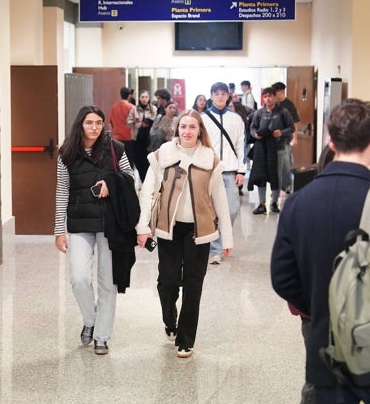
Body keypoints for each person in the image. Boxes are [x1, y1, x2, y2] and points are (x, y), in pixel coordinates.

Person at [271, 99, 370, 404]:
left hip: (326, 354)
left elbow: (283, 278)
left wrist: (323, 304)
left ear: (330, 139)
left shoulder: (297, 204)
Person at [136, 109, 233, 358]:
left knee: (193, 284)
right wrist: (143, 226)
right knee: (167, 282)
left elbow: (220, 199)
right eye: (183, 127)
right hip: (169, 228)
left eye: (192, 127)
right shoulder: (163, 155)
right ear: (176, 130)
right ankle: (170, 320)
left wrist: (227, 238)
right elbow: (148, 191)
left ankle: (186, 339)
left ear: (200, 130)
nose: (187, 131)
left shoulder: (209, 159)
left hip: (199, 232)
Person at [54, 106, 134, 356]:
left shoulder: (115, 148)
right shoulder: (66, 153)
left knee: (107, 283)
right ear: (80, 125)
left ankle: (101, 336)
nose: (95, 128)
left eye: (99, 123)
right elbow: (62, 191)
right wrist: (59, 230)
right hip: (80, 223)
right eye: (89, 123)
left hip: (111, 224)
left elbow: (130, 178)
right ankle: (91, 319)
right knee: (78, 278)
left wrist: (111, 183)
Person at [201, 82, 246, 265]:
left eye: (223, 93)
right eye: (216, 93)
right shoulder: (202, 118)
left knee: (231, 209)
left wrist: (242, 170)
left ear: (228, 96)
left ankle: (219, 240)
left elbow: (241, 146)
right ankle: (215, 249)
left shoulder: (236, 119)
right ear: (211, 95)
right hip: (208, 171)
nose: (220, 96)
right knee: (210, 211)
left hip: (229, 172)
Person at [247, 86, 294, 214]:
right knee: (261, 176)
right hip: (261, 150)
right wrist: (255, 134)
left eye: (270, 96)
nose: (268, 99)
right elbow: (252, 128)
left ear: (274, 96)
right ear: (263, 98)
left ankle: (274, 202)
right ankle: (262, 204)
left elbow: (291, 128)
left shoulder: (283, 112)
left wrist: (281, 132)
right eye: (265, 96)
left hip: (278, 149)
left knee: (276, 176)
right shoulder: (259, 113)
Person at [272, 82, 300, 194]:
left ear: (281, 91)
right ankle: (277, 188)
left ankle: (286, 186)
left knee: (286, 165)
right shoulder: (274, 105)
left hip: (286, 140)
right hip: (275, 142)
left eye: (275, 92)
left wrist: (295, 138)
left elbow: (296, 122)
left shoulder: (289, 105)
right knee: (276, 166)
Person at [127, 89, 158, 182]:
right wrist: (138, 122)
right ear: (139, 98)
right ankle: (142, 178)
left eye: (146, 97)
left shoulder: (154, 109)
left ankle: (146, 181)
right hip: (137, 138)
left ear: (149, 98)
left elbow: (156, 123)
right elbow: (128, 122)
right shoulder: (134, 109)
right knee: (137, 160)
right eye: (142, 97)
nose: (144, 99)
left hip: (149, 139)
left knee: (147, 161)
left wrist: (149, 122)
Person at [109, 87, 135, 169]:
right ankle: (130, 178)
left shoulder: (114, 107)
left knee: (117, 160)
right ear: (129, 96)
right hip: (129, 137)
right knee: (129, 160)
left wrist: (113, 132)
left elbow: (110, 122)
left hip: (117, 137)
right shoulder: (132, 107)